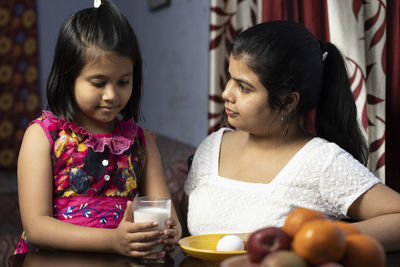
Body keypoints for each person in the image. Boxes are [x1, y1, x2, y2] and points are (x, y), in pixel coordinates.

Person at [183, 20, 400, 251]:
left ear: (288, 101)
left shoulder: (321, 162)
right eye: (230, 78)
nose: (226, 93)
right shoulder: (211, 148)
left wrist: (317, 238)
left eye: (244, 87)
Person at [15, 0, 181, 258]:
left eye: (123, 81)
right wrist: (113, 240)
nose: (111, 95)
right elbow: (36, 227)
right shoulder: (42, 136)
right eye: (98, 82)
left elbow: (168, 216)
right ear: (68, 78)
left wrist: (170, 233)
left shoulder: (141, 142)